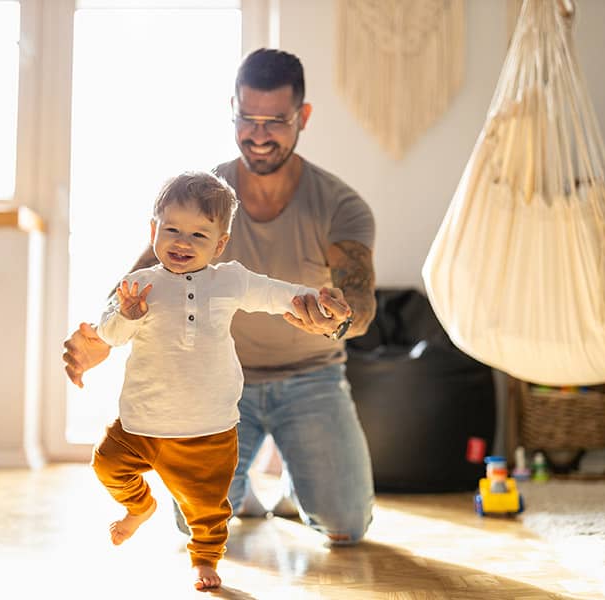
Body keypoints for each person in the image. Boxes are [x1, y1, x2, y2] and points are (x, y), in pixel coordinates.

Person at [64, 48, 377, 546]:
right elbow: (138, 280)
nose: (258, 134)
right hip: (212, 389)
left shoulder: (339, 205)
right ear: (231, 108)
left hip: (312, 379)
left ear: (304, 117)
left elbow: (359, 301)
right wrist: (103, 334)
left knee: (345, 526)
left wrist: (337, 319)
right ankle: (244, 494)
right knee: (194, 524)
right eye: (247, 118)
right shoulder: (203, 197)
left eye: (275, 121)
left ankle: (301, 480)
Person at [91, 171, 351, 590]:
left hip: (208, 427)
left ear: (220, 244)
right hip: (140, 423)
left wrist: (316, 298)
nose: (182, 242)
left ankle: (204, 560)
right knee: (107, 465)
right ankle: (139, 507)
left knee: (208, 508)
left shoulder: (229, 279)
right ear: (154, 230)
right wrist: (127, 316)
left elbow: (276, 293)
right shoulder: (139, 286)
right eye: (172, 229)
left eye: (198, 235)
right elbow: (109, 334)